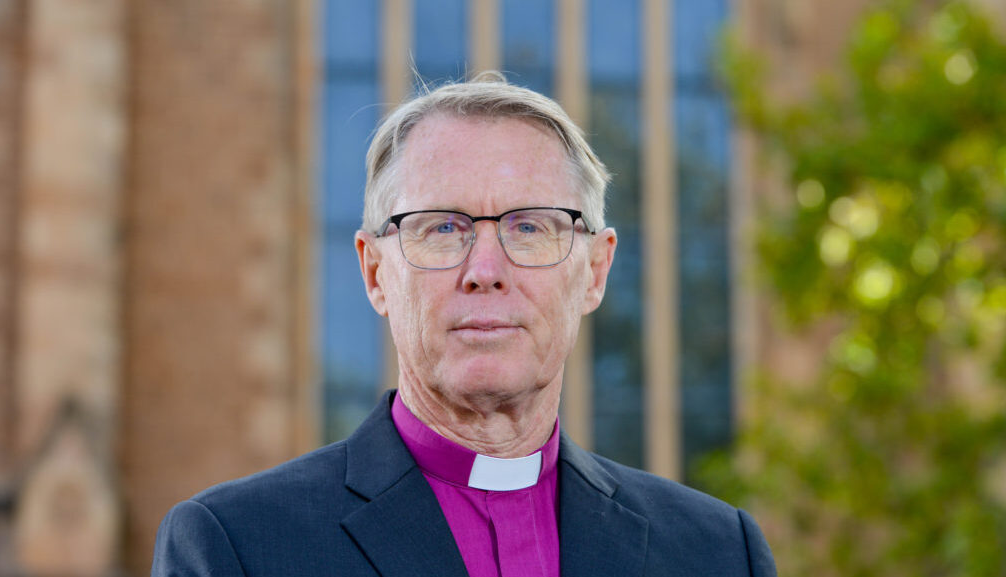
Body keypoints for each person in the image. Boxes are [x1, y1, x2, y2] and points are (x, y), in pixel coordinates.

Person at [151, 71, 777, 577]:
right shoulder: (237, 547)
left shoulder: (718, 552)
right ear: (375, 273)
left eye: (530, 227)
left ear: (594, 271)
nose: (485, 269)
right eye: (441, 227)